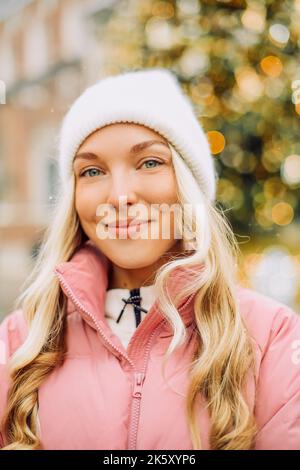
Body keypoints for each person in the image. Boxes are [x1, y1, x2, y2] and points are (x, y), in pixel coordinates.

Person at [0, 68, 300, 450]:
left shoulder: (272, 336)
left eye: (150, 163)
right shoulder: (20, 341)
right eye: (92, 171)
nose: (120, 195)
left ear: (187, 184)